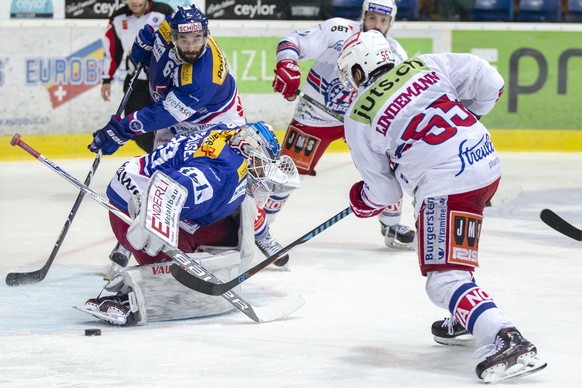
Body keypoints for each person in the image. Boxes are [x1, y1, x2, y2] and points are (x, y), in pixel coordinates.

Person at [338, 30, 546, 382]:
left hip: (447, 185)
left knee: (442, 280)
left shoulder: (358, 115)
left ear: (359, 70)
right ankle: (468, 314)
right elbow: (491, 82)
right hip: (485, 162)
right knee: (453, 252)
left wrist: (361, 201)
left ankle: (505, 337)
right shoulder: (425, 65)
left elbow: (385, 194)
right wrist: (467, 121)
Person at [76, 121, 300, 326]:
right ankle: (123, 298)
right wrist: (154, 219)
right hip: (133, 207)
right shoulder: (221, 173)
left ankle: (184, 248)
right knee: (175, 282)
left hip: (165, 197)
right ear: (249, 150)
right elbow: (179, 184)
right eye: (263, 162)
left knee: (234, 227)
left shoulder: (230, 138)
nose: (264, 170)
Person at [269, 0, 415, 264]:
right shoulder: (338, 31)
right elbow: (292, 42)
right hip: (315, 116)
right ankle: (260, 229)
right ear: (363, 16)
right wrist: (287, 65)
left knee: (387, 166)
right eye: (372, 18)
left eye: (383, 21)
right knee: (287, 171)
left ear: (391, 22)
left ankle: (391, 225)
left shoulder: (395, 54)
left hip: (361, 122)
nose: (377, 25)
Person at [89, 4, 246, 157]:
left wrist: (123, 129)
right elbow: (155, 43)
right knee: (158, 174)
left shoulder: (202, 78)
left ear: (206, 36)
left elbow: (166, 113)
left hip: (213, 125)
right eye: (184, 40)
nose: (191, 48)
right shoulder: (168, 26)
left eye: (197, 39)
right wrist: (145, 50)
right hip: (176, 123)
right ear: (173, 37)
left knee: (194, 176)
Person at [100, 0, 174, 153]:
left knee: (167, 123)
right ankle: (157, 157)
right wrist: (107, 78)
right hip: (136, 82)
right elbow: (113, 50)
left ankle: (170, 157)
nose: (134, 1)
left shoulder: (164, 11)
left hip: (164, 82)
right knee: (135, 129)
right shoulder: (118, 17)